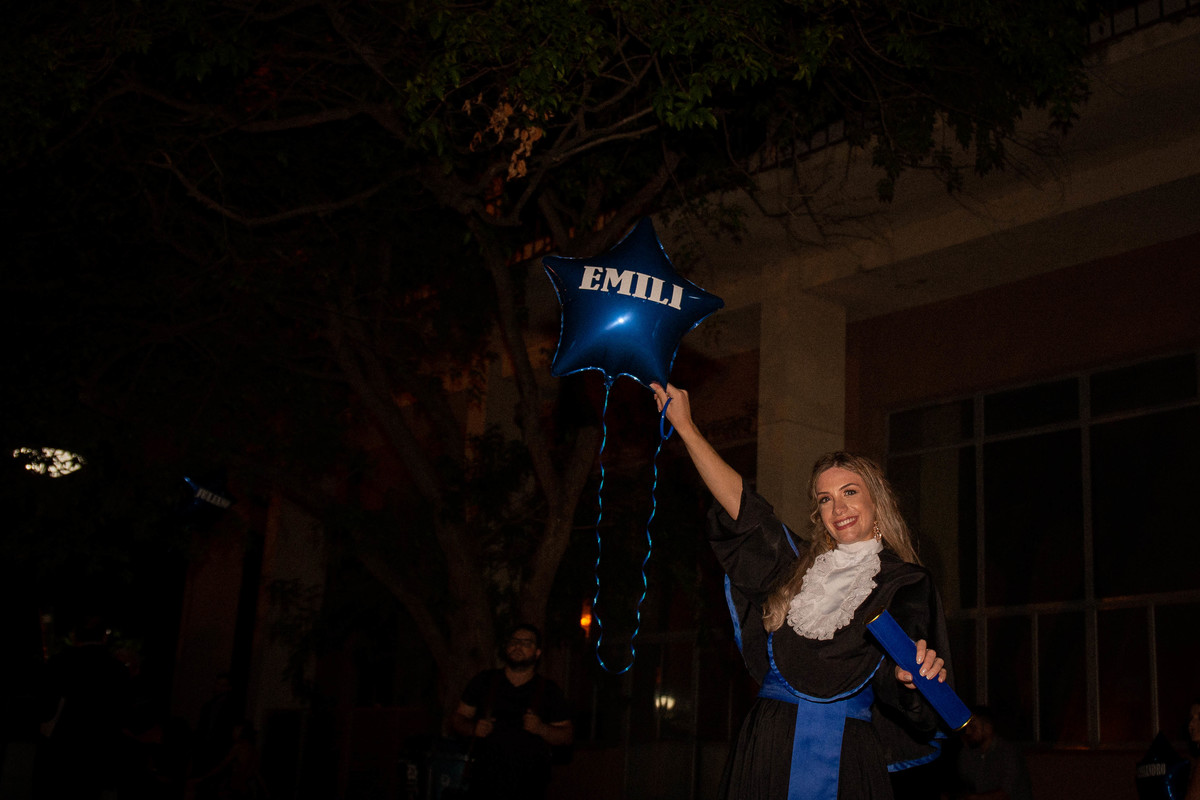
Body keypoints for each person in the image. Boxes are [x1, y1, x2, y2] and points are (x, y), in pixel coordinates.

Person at [652, 382, 954, 800]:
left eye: (850, 492)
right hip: (769, 742)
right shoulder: (796, 569)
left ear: (877, 502)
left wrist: (910, 677)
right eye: (826, 499)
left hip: (846, 748)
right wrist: (685, 427)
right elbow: (742, 509)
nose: (839, 508)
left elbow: (900, 676)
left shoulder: (905, 582)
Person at [451, 624, 573, 800]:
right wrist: (473, 729)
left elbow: (567, 735)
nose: (518, 647)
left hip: (529, 784)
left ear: (537, 652)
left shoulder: (549, 690)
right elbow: (458, 718)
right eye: (514, 641)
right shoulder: (484, 681)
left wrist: (541, 729)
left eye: (526, 643)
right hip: (484, 782)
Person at [951, 706, 1032, 800]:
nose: (968, 732)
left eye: (973, 727)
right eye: (966, 728)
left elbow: (1005, 793)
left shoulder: (1008, 752)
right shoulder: (968, 753)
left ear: (988, 728)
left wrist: (975, 798)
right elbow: (963, 785)